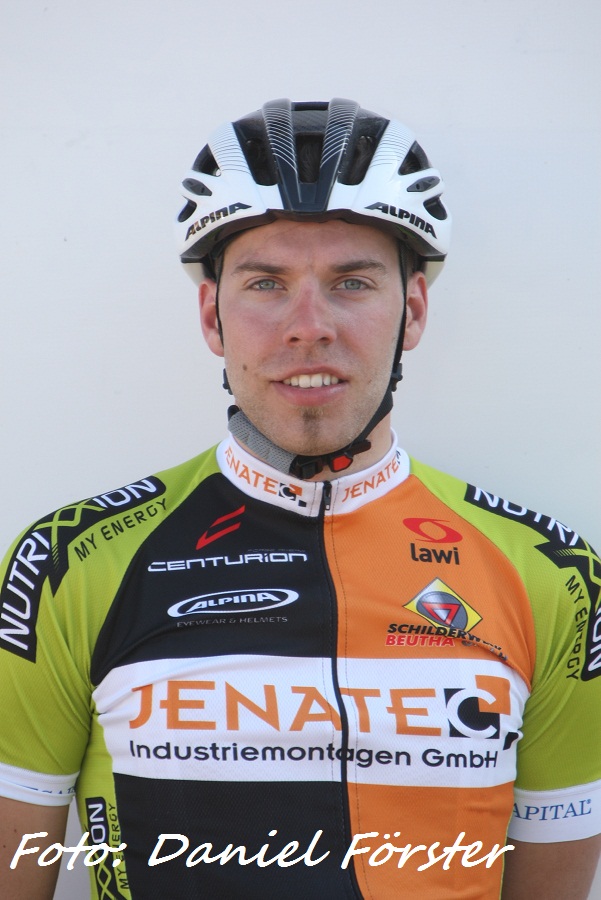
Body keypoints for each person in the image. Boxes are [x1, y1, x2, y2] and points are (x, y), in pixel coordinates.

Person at [0, 98, 599, 900]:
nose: (308, 326)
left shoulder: (552, 575)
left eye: (351, 282)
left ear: (412, 310)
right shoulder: (68, 563)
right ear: (212, 316)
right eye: (265, 283)